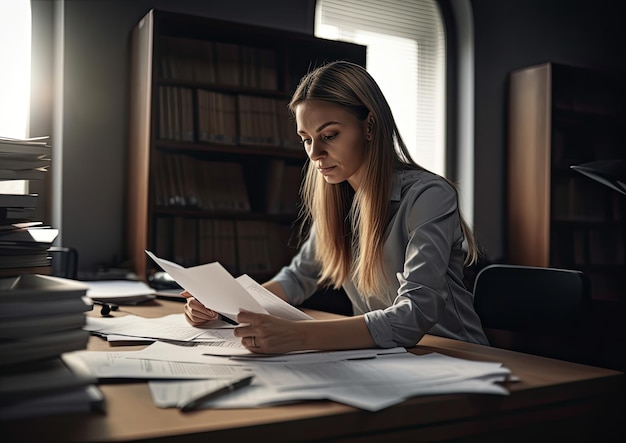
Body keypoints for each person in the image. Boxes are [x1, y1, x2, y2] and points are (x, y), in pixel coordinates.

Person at [184, 60, 488, 353]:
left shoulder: (429, 196)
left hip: (458, 358)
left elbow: (414, 316)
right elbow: (296, 279)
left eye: (329, 135)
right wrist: (222, 305)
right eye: (306, 139)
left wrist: (298, 336)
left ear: (369, 126)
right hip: (390, 360)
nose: (315, 153)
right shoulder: (339, 200)